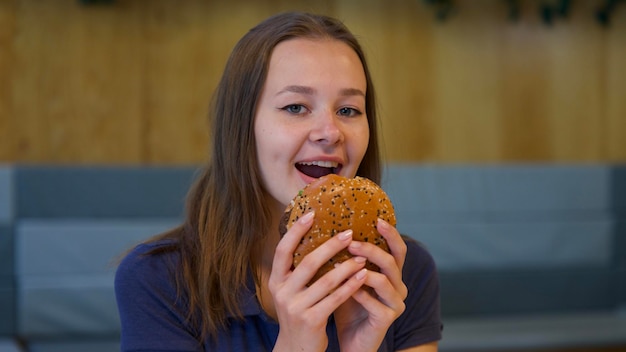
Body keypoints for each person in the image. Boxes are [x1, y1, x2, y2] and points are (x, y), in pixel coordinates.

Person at [115, 11, 442, 352]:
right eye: (296, 107)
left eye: (348, 110)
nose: (330, 133)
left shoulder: (402, 272)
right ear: (242, 127)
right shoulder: (159, 280)